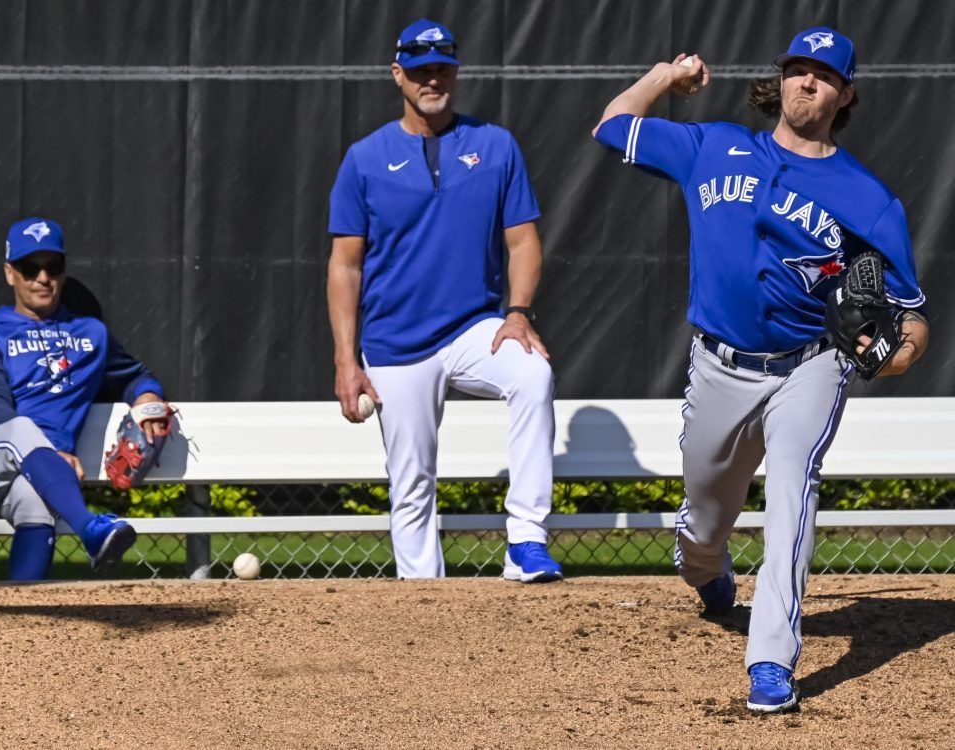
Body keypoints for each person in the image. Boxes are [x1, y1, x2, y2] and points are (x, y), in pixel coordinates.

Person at [592, 27, 928, 712]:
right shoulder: (712, 146)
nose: (808, 83)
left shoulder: (867, 197)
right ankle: (709, 575)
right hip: (719, 365)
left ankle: (771, 661)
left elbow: (913, 317)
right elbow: (612, 126)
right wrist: (666, 75)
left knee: (791, 497)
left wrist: (895, 357)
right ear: (780, 80)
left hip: (811, 364)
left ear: (845, 94)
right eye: (798, 69)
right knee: (702, 529)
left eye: (823, 75)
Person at [327, 19, 561, 582]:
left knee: (533, 376)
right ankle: (423, 602)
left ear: (455, 72)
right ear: (398, 73)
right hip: (395, 341)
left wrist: (518, 312)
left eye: (442, 67)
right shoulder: (364, 158)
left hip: (472, 327)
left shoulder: (495, 144)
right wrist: (345, 360)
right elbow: (345, 265)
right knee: (411, 485)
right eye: (420, 68)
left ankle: (526, 542)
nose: (432, 78)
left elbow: (522, 240)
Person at [0, 217, 171, 580]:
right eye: (30, 268)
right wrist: (50, 453)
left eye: (52, 267)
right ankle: (90, 529)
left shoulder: (91, 334)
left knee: (36, 504)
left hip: (36, 472)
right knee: (19, 429)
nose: (43, 278)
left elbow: (133, 375)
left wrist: (147, 398)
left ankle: (21, 618)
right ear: (10, 274)